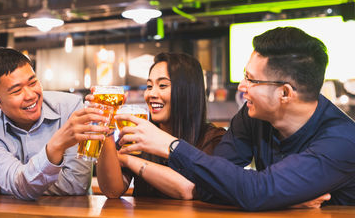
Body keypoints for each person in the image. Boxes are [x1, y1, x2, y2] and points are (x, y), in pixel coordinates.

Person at [118, 27, 353, 211]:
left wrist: (171, 146)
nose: (242, 86)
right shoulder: (253, 117)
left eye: (252, 80)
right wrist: (281, 198)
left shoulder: (342, 142)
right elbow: (208, 185)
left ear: (285, 93)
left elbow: (256, 192)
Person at [0, 48, 109, 200]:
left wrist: (3, 186)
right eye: (16, 91)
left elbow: (76, 184)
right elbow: (20, 185)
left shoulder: (70, 107)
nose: (31, 95)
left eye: (33, 82)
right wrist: (54, 147)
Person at [95, 52, 226, 199]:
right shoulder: (138, 133)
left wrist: (127, 160)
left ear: (187, 91)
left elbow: (188, 188)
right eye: (149, 86)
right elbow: (113, 190)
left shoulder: (214, 139)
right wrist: (106, 129)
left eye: (162, 85)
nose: (151, 93)